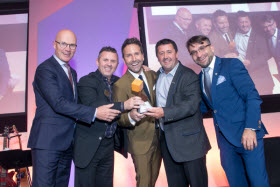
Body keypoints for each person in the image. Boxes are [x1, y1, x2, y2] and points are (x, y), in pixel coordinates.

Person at [28, 29, 121, 187]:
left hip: (67, 143)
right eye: (63, 43)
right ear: (54, 44)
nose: (67, 48)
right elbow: (58, 103)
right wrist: (95, 112)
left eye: (72, 45)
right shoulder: (45, 69)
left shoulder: (73, 72)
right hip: (48, 143)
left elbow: (75, 103)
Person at [187, 35, 270, 187]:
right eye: (193, 52)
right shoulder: (199, 79)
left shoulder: (231, 65)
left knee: (258, 183)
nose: (199, 54)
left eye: (202, 48)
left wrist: (251, 128)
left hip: (247, 135)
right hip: (225, 142)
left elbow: (252, 96)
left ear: (211, 47)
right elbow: (205, 107)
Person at [73, 46, 143, 187]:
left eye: (113, 61)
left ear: (117, 64)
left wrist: (143, 72)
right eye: (105, 60)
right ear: (97, 61)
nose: (109, 64)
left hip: (108, 146)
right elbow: (97, 107)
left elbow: (139, 88)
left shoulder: (120, 82)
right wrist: (124, 105)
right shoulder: (86, 81)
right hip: (88, 146)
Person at [145, 38, 211, 187]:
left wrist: (164, 112)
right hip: (168, 146)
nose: (165, 56)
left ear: (177, 54)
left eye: (169, 52)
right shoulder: (157, 76)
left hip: (191, 146)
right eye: (161, 53)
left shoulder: (189, 76)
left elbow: (191, 105)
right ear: (157, 57)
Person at [113, 37, 161, 187]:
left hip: (160, 139)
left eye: (137, 54)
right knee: (144, 182)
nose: (134, 59)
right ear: (124, 59)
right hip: (140, 142)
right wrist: (131, 116)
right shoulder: (120, 85)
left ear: (143, 55)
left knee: (153, 181)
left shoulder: (153, 75)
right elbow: (119, 118)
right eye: (129, 55)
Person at [234, 11, 274, 95]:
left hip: (261, 79)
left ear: (250, 22)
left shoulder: (259, 34)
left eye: (246, 21)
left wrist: (251, 63)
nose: (244, 25)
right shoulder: (233, 33)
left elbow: (266, 55)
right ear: (237, 23)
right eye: (241, 22)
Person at [163, 8, 197, 72]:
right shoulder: (171, 32)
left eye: (190, 20)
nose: (188, 22)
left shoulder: (184, 31)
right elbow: (182, 53)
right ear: (177, 17)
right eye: (185, 19)